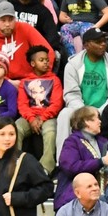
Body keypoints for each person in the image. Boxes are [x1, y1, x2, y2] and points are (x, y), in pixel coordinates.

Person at [55, 27, 108, 157]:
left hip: (105, 110)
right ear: (86, 45)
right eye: (98, 41)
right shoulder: (73, 65)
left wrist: (98, 112)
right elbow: (71, 94)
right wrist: (85, 113)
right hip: (79, 109)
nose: (103, 44)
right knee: (64, 114)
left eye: (104, 40)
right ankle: (62, 160)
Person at [0, 0, 55, 83]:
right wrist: (8, 83)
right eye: (3, 20)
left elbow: (48, 52)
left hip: (30, 81)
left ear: (15, 18)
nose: (7, 24)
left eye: (10, 20)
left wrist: (42, 76)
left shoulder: (26, 29)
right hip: (1, 83)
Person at [15, 44, 63, 175]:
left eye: (47, 60)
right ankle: (16, 163)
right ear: (32, 63)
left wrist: (42, 118)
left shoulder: (54, 80)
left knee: (51, 132)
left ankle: (46, 168)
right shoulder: (25, 81)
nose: (46, 63)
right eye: (41, 60)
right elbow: (22, 105)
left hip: (47, 117)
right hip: (29, 117)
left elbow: (56, 104)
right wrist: (31, 119)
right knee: (16, 128)